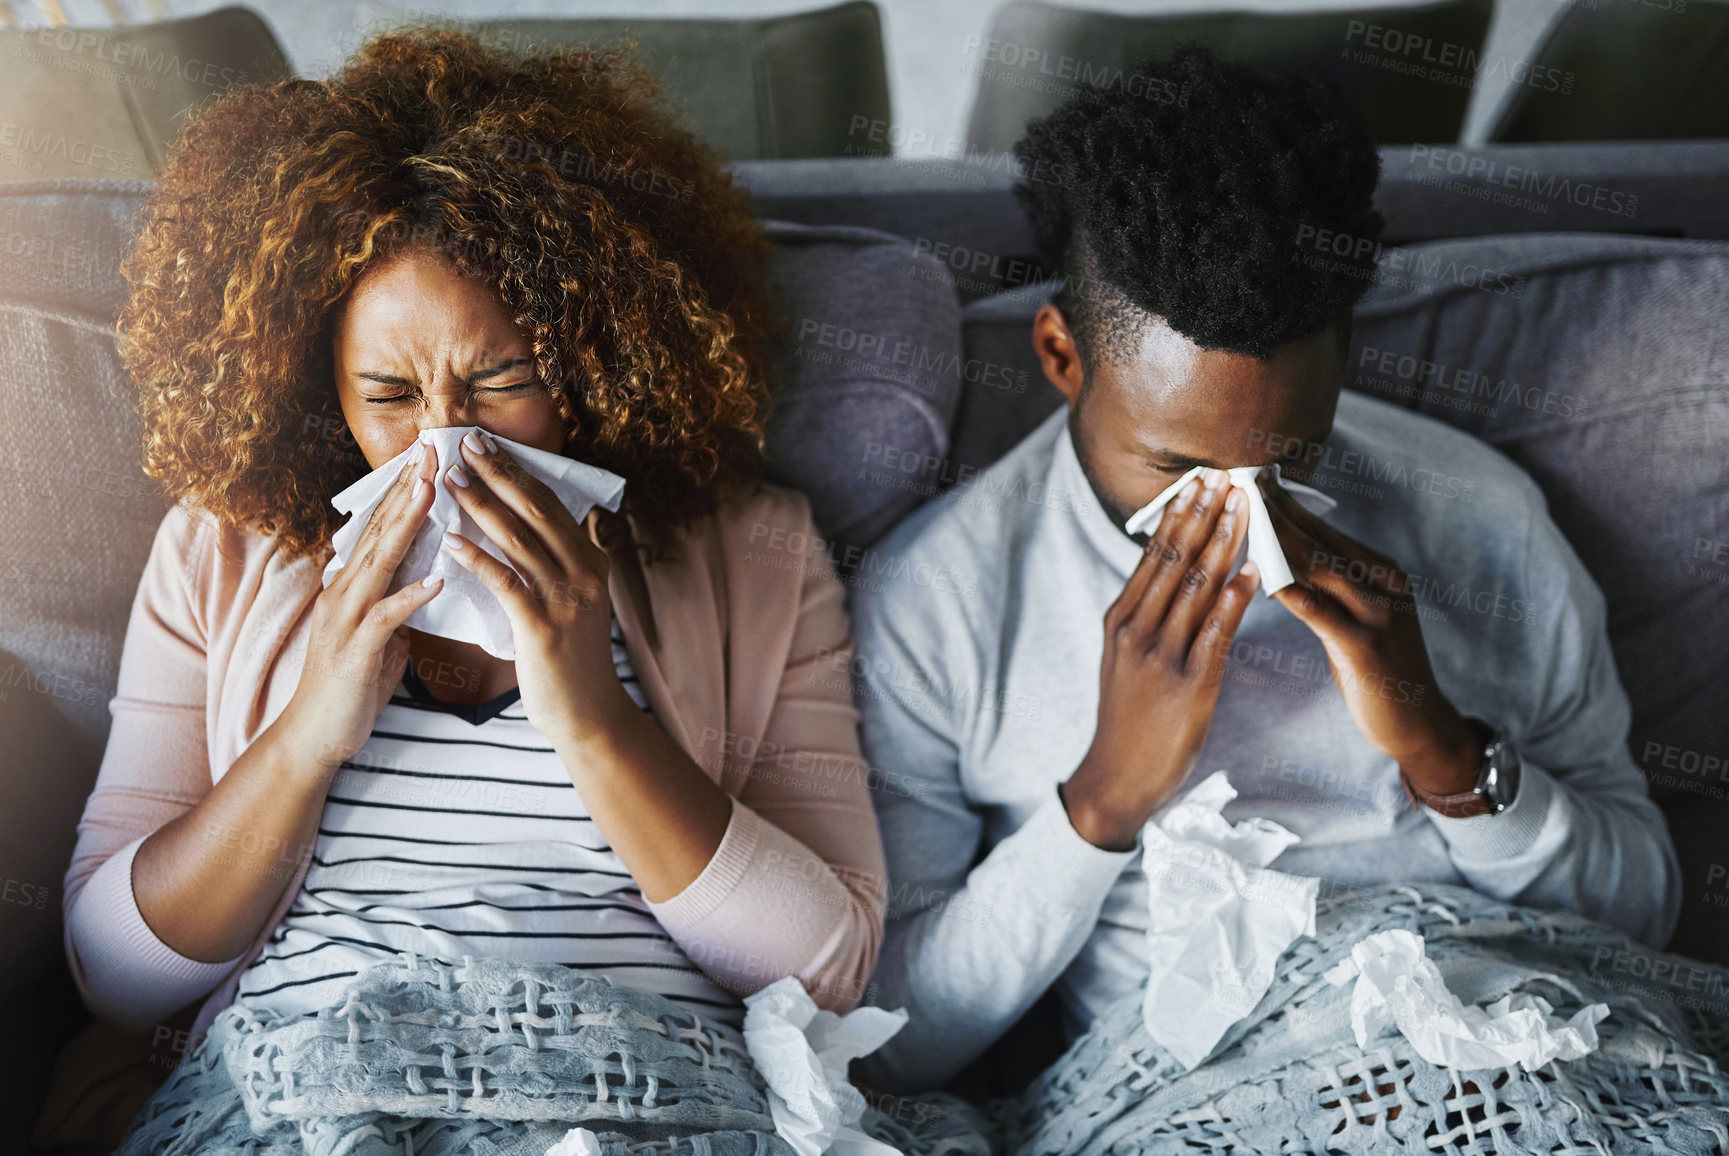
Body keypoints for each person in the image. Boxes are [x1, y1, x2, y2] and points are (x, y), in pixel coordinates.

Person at [850, 47, 1681, 1092]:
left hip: (1512, 1037)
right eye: (1176, 464)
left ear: (1340, 362)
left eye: (1289, 458)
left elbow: (1644, 909)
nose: (1241, 510)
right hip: (1199, 1087)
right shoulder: (939, 599)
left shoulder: (1481, 516)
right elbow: (897, 1035)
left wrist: (1441, 750)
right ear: (1062, 356)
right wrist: (1102, 799)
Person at [61, 28, 885, 1060]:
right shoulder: (217, 556)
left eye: (500, 383)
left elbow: (832, 968)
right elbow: (115, 977)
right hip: (309, 1082)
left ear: (595, 364)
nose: (448, 444)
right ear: (321, 395)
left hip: (637, 1086)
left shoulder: (754, 553)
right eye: (392, 396)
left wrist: (592, 716)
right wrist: (309, 728)